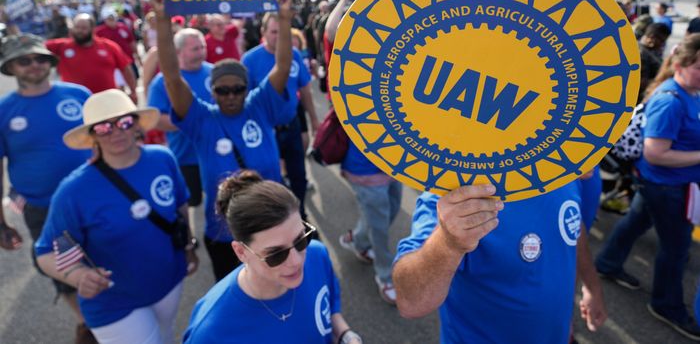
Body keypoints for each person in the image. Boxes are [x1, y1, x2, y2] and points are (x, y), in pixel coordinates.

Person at [153, 0, 295, 280]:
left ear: (247, 88)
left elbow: (282, 66)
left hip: (274, 224)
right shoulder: (201, 119)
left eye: (237, 89)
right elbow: (172, 78)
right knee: (238, 296)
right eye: (222, 90)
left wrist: (284, 17)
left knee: (281, 287)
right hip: (226, 234)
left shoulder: (260, 105)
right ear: (212, 92)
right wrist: (163, 20)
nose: (231, 96)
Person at [34, 89, 198, 343]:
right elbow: (45, 251)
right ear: (92, 136)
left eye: (123, 122)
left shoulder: (162, 158)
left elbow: (180, 207)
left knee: (165, 337)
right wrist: (78, 276)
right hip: (113, 301)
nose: (115, 132)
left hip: (168, 281)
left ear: (135, 124)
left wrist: (188, 246)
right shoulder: (73, 191)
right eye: (103, 127)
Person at [393, 181, 607, 343]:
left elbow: (572, 228)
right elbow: (410, 301)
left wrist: (591, 286)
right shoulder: (453, 193)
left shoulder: (561, 171)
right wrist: (447, 242)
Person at [595, 34, 700, 341]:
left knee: (636, 221)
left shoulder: (688, 91)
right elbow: (655, 152)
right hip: (666, 186)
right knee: (676, 249)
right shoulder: (670, 101)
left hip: (662, 185)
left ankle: (608, 262)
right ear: (680, 64)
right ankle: (666, 305)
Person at [183, 170, 362, 344]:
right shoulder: (211, 332)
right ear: (241, 252)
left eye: (301, 240)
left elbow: (329, 313)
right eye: (276, 254)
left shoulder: (316, 255)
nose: (297, 261)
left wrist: (347, 336)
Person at [0, 34, 94, 343]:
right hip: (43, 209)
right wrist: (1, 223)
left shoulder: (78, 95)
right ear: (11, 67)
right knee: (64, 269)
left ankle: (108, 315)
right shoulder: (4, 110)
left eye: (40, 59)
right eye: (24, 60)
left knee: (107, 257)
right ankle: (86, 323)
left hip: (94, 198)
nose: (34, 65)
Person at [242, 13, 320, 219]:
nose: (278, 36)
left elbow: (305, 90)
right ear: (263, 33)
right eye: (273, 32)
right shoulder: (249, 60)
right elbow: (244, 102)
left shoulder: (294, 54)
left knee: (299, 178)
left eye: (281, 31)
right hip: (265, 132)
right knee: (271, 182)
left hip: (291, 125)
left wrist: (313, 119)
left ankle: (301, 217)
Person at [148, 28, 213, 234]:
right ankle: (192, 235)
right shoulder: (161, 82)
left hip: (215, 152)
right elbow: (156, 119)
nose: (201, 51)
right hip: (186, 157)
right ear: (178, 52)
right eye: (195, 48)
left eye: (203, 46)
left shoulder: (214, 72)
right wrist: (189, 121)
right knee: (192, 200)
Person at [338, 140, 402, 304]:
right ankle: (385, 276)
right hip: (365, 167)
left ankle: (358, 240)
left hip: (395, 162)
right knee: (379, 227)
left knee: (390, 212)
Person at [45, 13, 137, 99]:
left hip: (107, 100)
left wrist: (133, 91)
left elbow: (126, 68)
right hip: (75, 101)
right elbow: (36, 47)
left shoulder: (109, 46)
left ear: (93, 29)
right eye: (77, 27)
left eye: (84, 28)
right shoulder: (61, 46)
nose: (79, 31)